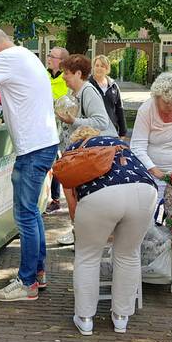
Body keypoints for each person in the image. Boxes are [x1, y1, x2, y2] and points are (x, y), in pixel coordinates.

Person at [0, 27, 59, 302]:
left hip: (32, 149)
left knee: (25, 215)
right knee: (33, 213)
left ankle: (26, 282)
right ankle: (38, 273)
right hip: (44, 144)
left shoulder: (7, 57)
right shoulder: (26, 56)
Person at [64, 126, 157, 336]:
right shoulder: (118, 144)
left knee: (87, 255)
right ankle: (121, 318)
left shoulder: (72, 151)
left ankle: (85, 318)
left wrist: (86, 229)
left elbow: (72, 205)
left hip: (100, 195)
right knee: (128, 254)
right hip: (144, 190)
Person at [54, 54, 118, 246]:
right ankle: (82, 234)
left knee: (81, 195)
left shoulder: (87, 91)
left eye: (66, 73)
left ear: (78, 73)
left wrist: (73, 121)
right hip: (87, 154)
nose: (63, 76)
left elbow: (101, 121)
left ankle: (87, 237)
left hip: (96, 154)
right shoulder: (76, 93)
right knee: (78, 195)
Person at [130, 72, 172, 181]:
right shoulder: (146, 110)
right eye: (167, 104)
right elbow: (137, 147)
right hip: (152, 173)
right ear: (156, 99)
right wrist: (159, 174)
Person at [45, 47, 70, 214]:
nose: (48, 58)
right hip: (46, 126)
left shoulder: (67, 79)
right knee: (51, 162)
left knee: (66, 162)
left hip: (65, 127)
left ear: (60, 61)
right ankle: (53, 198)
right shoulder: (42, 75)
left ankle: (71, 196)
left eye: (51, 56)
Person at [89, 55, 127, 138]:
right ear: (93, 67)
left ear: (107, 69)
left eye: (102, 66)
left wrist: (122, 132)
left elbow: (119, 108)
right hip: (93, 131)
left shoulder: (113, 86)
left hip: (112, 131)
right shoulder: (87, 85)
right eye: (97, 65)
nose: (99, 68)